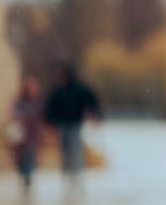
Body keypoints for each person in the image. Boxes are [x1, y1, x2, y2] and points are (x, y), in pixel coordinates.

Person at [43, 64, 101, 194]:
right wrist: (50, 122)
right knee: (66, 154)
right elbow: (50, 109)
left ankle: (77, 178)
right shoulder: (58, 91)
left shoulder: (78, 89)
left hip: (75, 125)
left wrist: (94, 114)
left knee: (75, 152)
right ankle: (68, 178)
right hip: (62, 126)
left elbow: (91, 101)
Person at [9, 76, 42, 195]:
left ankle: (27, 179)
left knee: (30, 157)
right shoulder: (19, 101)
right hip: (22, 135)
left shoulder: (38, 101)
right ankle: (24, 177)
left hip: (33, 136)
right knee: (22, 158)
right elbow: (14, 113)